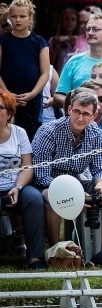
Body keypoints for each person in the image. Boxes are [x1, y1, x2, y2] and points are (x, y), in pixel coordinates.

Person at [32, 88, 102, 252]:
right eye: (76, 112)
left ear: (94, 115)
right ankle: (57, 251)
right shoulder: (48, 131)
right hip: (49, 185)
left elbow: (99, 170)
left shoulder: (95, 132)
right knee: (52, 195)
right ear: (69, 110)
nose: (80, 118)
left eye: (86, 114)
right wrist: (72, 193)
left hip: (77, 182)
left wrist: (100, 184)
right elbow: (41, 176)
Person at [0, 90, 47, 269]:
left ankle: (35, 257)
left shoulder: (19, 133)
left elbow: (27, 166)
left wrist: (18, 187)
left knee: (34, 199)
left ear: (9, 113)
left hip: (15, 187)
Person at [0, 0, 50, 141]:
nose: (18, 20)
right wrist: (7, 94)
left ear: (30, 18)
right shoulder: (3, 41)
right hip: (5, 97)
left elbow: (45, 73)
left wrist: (32, 94)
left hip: (31, 100)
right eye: (14, 16)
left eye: (22, 16)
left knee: (30, 136)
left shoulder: (39, 42)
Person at [54, 13, 102, 108]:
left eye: (95, 29)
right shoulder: (74, 61)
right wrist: (80, 105)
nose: (90, 33)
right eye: (88, 29)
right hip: (79, 119)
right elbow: (58, 96)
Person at [49, 7, 80, 74]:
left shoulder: (82, 40)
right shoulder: (53, 40)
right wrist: (56, 48)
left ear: (77, 22)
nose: (70, 22)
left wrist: (75, 45)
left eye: (73, 19)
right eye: (66, 19)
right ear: (61, 21)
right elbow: (49, 63)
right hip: (60, 76)